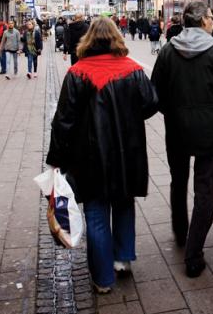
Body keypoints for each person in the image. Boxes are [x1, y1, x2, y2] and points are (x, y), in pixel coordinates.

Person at [46, 18, 158, 294]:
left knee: (96, 213)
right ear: (117, 39)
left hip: (89, 157)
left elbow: (64, 121)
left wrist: (56, 159)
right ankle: (122, 258)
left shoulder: (77, 72)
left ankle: (103, 278)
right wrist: (129, 113)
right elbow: (152, 103)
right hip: (127, 153)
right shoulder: (133, 70)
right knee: (123, 204)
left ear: (88, 40)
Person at [151, 1, 213, 277]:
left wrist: (173, 111)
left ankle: (181, 232)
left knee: (178, 181)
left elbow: (156, 92)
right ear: (203, 21)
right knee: (205, 190)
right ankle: (194, 254)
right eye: (211, 17)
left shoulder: (168, 51)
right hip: (210, 128)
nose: (212, 21)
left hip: (177, 128)